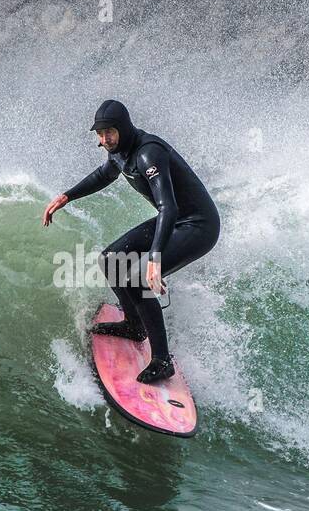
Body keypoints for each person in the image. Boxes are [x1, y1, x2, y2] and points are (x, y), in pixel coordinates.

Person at [42, 99, 220, 383]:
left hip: (198, 226)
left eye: (109, 132)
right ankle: (135, 325)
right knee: (111, 260)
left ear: (123, 128)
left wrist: (154, 259)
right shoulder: (119, 151)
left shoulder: (149, 153)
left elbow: (168, 207)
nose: (104, 140)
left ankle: (162, 360)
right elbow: (106, 173)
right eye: (99, 134)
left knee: (138, 278)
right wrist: (67, 196)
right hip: (175, 220)